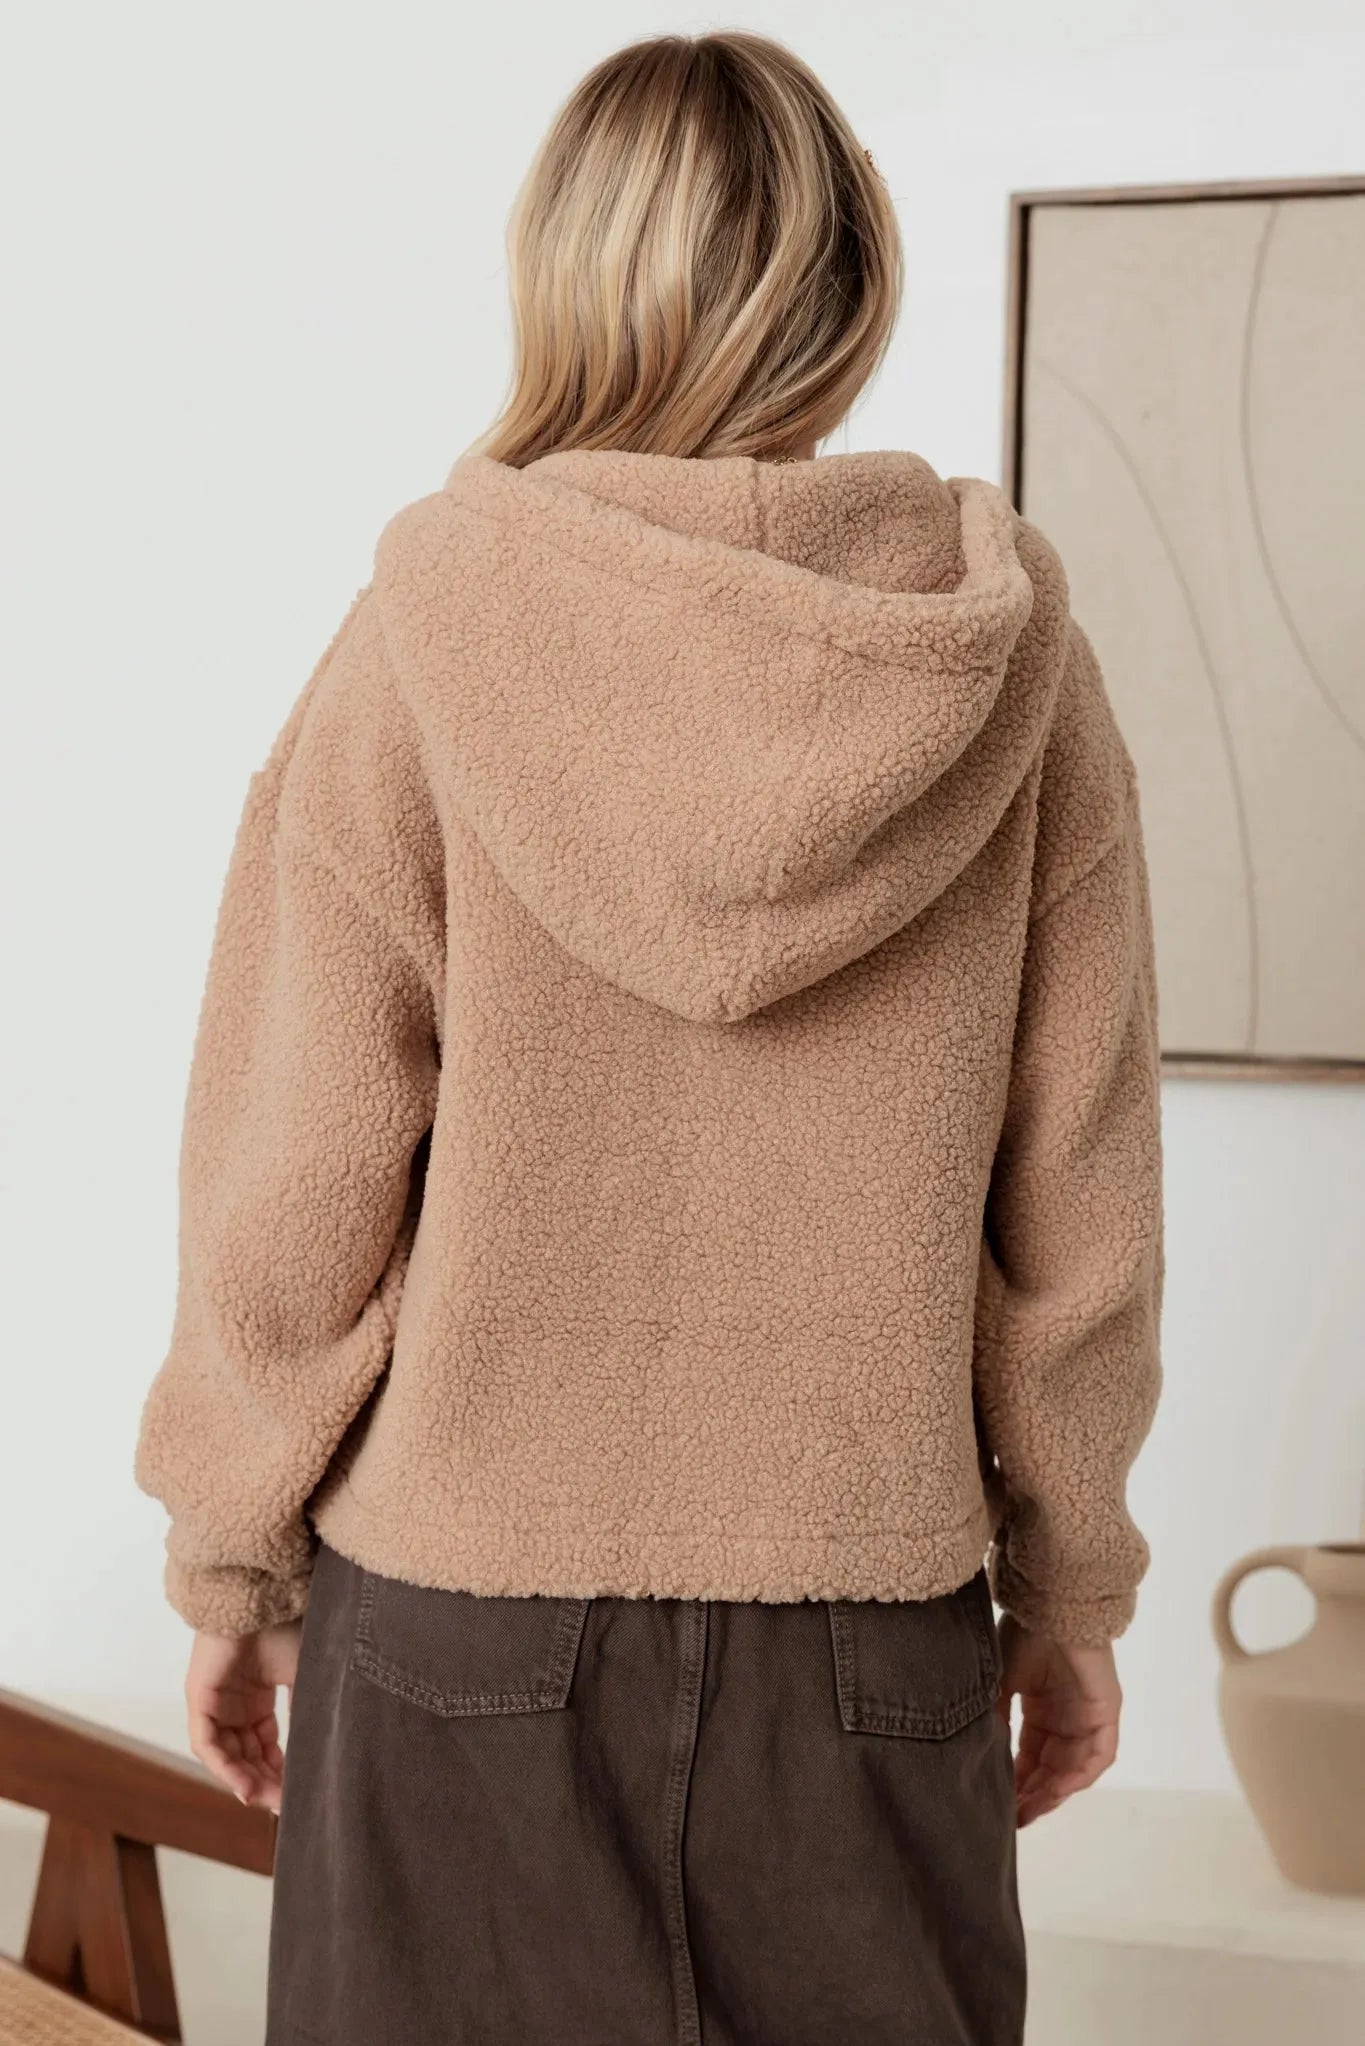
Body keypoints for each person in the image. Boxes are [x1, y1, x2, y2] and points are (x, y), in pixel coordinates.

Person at [135, 28, 1163, 2046]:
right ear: (849, 284)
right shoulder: (1012, 669)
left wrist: (229, 1565)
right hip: (865, 1633)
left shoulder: (421, 642)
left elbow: (294, 1174)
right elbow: (1079, 1210)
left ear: (566, 279)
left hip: (456, 1629)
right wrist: (1068, 1595)